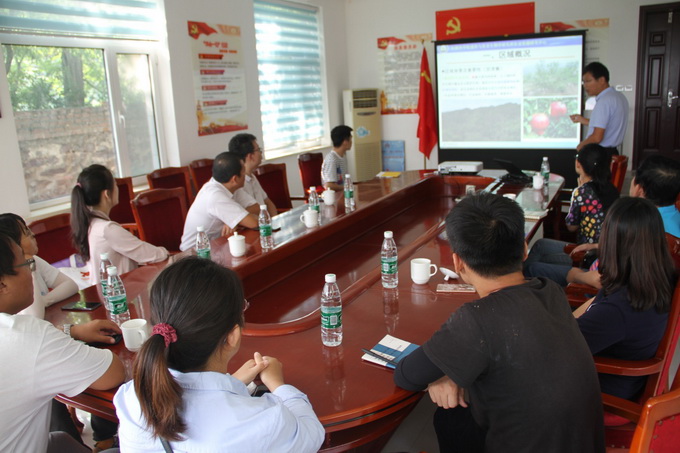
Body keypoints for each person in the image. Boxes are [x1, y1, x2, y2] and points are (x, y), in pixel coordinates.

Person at [393, 193, 604, 452]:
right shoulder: (550, 290)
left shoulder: (476, 320)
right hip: (583, 443)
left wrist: (443, 374)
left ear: (457, 263)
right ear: (524, 250)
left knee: (449, 418)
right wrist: (451, 369)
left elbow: (407, 375)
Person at [113, 257, 325, 452]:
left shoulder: (131, 395)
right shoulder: (259, 421)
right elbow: (311, 433)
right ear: (232, 336)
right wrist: (278, 384)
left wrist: (233, 383)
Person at [0, 232, 125, 453]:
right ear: (2, 284)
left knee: (60, 440)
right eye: (26, 263)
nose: (31, 271)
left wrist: (72, 331)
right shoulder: (26, 335)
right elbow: (113, 373)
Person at [573, 197, 676, 400]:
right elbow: (593, 307)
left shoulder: (619, 309)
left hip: (600, 392)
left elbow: (561, 349)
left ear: (612, 243)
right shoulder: (654, 279)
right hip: (620, 376)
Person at [524, 144, 619, 286]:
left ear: (578, 164)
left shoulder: (582, 192)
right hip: (603, 251)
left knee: (533, 265)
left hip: (587, 257)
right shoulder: (612, 189)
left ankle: (526, 282)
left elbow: (571, 227)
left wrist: (578, 193)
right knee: (540, 245)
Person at [71, 164, 168, 285]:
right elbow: (154, 255)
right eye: (115, 185)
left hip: (106, 289)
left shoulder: (90, 223)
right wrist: (165, 252)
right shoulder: (107, 229)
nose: (118, 188)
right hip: (120, 291)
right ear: (107, 194)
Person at [0, 213, 78, 318]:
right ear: (12, 244)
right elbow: (35, 315)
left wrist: (44, 301)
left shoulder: (34, 260)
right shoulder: (11, 274)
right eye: (27, 233)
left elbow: (70, 285)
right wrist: (30, 268)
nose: (33, 234)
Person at [180, 153, 258, 251]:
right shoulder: (215, 196)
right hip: (195, 253)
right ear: (234, 179)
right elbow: (254, 223)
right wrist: (236, 219)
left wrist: (234, 220)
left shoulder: (228, 184)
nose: (245, 175)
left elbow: (257, 207)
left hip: (217, 246)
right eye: (243, 172)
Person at [571, 62, 629, 154]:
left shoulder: (604, 101)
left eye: (588, 81)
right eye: (583, 82)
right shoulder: (619, 96)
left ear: (602, 80)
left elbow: (597, 138)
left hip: (600, 154)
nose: (585, 85)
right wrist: (583, 120)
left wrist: (579, 147)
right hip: (612, 152)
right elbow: (606, 123)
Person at [228, 133, 278, 217]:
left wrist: (274, 220)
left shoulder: (252, 176)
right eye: (258, 150)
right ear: (250, 156)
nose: (261, 153)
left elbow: (267, 202)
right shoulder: (237, 183)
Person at [321, 125, 353, 191]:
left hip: (343, 193)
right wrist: (347, 188)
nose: (351, 142)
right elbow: (329, 186)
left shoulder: (343, 156)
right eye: (350, 139)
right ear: (345, 142)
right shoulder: (331, 159)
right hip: (334, 195)